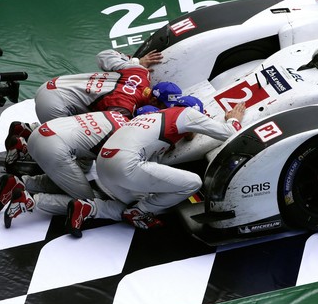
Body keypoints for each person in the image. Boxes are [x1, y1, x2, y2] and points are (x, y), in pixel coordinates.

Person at [65, 96, 246, 237]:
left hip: (104, 166)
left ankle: (89, 208)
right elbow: (229, 133)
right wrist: (233, 119)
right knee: (192, 183)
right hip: (125, 165)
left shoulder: (154, 117)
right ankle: (139, 212)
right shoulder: (188, 114)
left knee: (142, 204)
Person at [0, 107, 154, 231]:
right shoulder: (128, 136)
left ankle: (21, 182)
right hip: (55, 150)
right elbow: (114, 171)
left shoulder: (115, 114)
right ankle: (30, 202)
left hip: (41, 133)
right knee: (88, 201)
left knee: (82, 170)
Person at [33, 49, 178, 122]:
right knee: (83, 156)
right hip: (55, 104)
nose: (165, 111)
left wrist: (134, 61)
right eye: (164, 107)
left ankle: (28, 130)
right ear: (153, 101)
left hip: (57, 83)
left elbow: (103, 55)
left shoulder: (140, 72)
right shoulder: (124, 106)